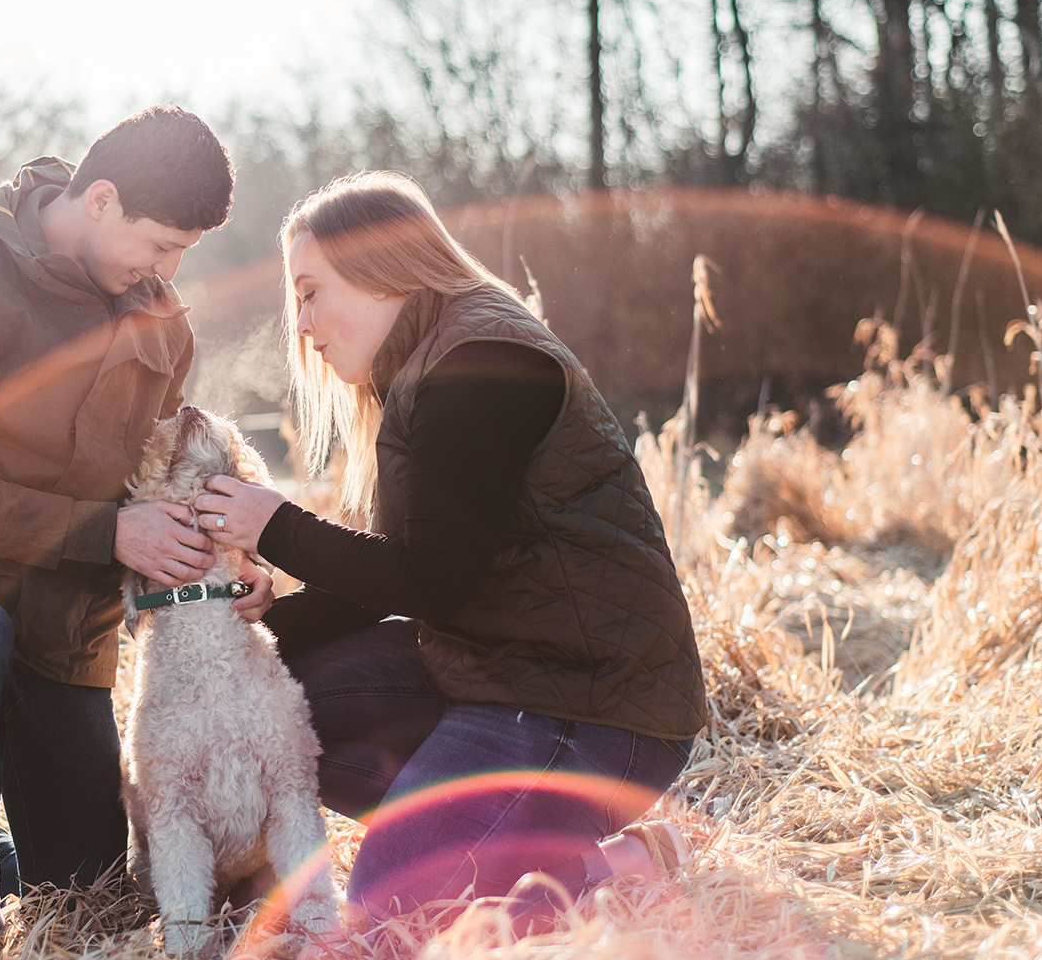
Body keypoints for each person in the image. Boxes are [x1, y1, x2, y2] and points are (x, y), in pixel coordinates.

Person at [193, 171, 708, 920]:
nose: (301, 324)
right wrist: (261, 631)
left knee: (395, 918)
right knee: (269, 696)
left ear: (380, 272)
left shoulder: (480, 365)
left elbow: (434, 582)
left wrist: (275, 526)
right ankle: (480, 832)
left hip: (589, 705)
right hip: (492, 672)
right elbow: (405, 564)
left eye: (310, 291)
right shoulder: (424, 359)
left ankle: (607, 863)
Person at [0, 106, 273, 945]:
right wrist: (106, 533)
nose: (168, 268)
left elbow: (164, 477)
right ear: (101, 199)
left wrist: (236, 560)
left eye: (184, 251)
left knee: (90, 896)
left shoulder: (160, 322)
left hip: (66, 632)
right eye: (159, 243)